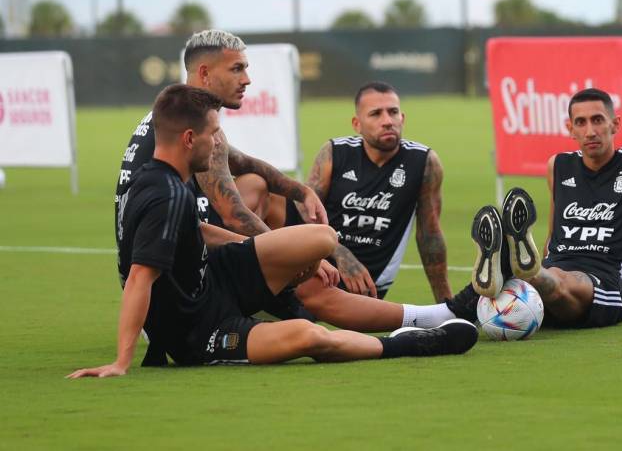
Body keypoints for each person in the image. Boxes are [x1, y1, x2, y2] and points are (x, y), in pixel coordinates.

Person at [71, 85, 475, 377]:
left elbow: (196, 231)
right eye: (213, 137)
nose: (217, 148)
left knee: (321, 240)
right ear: (190, 138)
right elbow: (140, 276)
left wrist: (278, 253)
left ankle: (288, 294)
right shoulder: (166, 195)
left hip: (215, 279)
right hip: (200, 330)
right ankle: (412, 341)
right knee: (310, 336)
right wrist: (122, 361)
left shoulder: (161, 179)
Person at [115, 30, 448, 336]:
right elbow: (232, 215)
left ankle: (284, 304)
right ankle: (434, 318)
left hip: (153, 278)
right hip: (171, 295)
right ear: (204, 73)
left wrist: (299, 190)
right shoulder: (195, 126)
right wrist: (303, 260)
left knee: (257, 186)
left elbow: (240, 161)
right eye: (236, 69)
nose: (247, 79)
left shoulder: (174, 114)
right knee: (311, 289)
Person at [452, 87, 622, 329]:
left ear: (615, 124)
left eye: (598, 120)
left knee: (563, 286)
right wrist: (547, 258)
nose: (590, 131)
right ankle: (520, 271)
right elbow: (553, 234)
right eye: (581, 122)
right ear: (570, 129)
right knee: (525, 294)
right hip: (557, 263)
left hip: (608, 278)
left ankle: (525, 270)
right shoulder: (558, 166)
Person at [271, 81, 452, 304]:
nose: (387, 121)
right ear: (357, 124)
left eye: (393, 112)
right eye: (376, 114)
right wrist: (338, 252)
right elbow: (305, 211)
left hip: (365, 282)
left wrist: (446, 304)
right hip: (321, 264)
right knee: (256, 185)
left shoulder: (423, 162)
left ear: (402, 118)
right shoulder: (335, 152)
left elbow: (430, 236)